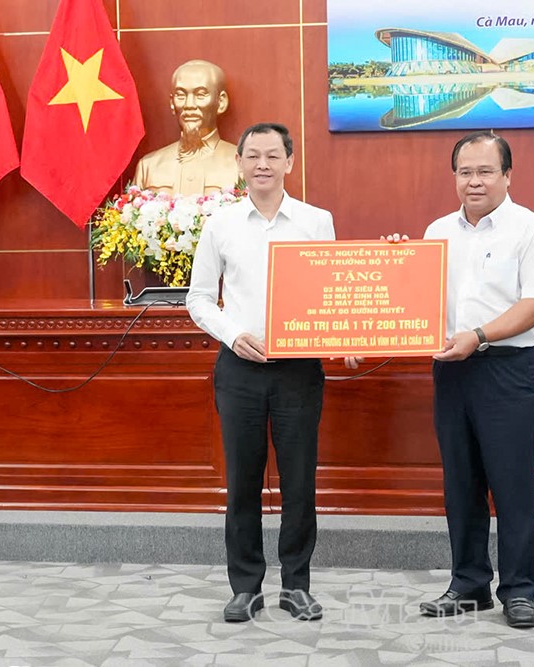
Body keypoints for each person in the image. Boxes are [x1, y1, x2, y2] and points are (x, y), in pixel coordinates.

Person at [186, 123, 334, 623]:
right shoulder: (220, 224)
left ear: (290, 162)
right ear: (240, 163)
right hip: (240, 369)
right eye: (253, 155)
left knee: (300, 483)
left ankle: (297, 586)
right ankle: (245, 587)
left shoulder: (316, 222)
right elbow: (199, 298)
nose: (263, 164)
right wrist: (233, 335)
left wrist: (350, 338)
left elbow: (332, 293)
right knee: (243, 482)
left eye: (273, 155)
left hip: (300, 371)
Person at [419, 131, 534, 628]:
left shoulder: (532, 230)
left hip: (508, 368)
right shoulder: (437, 231)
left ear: (507, 175)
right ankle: (469, 584)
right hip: (451, 370)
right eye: (465, 172)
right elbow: (416, 299)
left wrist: (478, 336)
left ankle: (519, 591)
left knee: (511, 483)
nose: (474, 181)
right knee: (460, 483)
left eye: (485, 171)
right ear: (454, 177)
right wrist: (398, 265)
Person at [133, 60, 239, 195]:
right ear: (172, 103)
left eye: (200, 95)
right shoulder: (148, 166)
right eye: (181, 95)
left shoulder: (242, 165)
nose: (189, 105)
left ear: (221, 102)